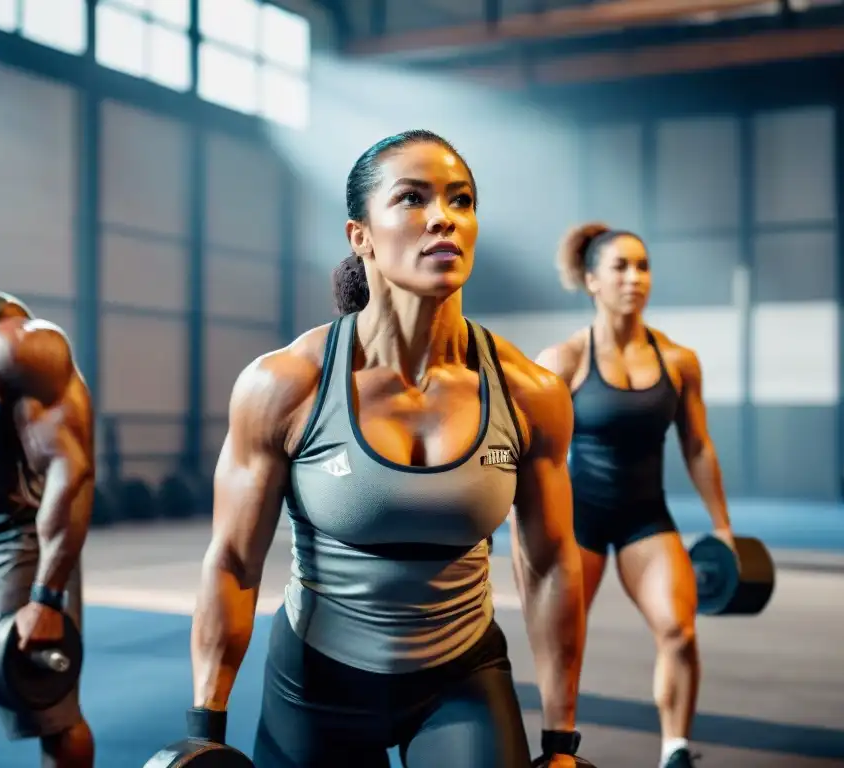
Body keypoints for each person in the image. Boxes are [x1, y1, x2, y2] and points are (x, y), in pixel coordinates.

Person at [188, 130, 587, 768]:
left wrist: (561, 741)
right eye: (412, 198)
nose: (443, 219)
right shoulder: (287, 385)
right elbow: (235, 561)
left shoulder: (530, 392)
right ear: (361, 236)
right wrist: (205, 726)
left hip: (463, 680)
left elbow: (550, 564)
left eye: (461, 201)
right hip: (317, 685)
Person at [527, 223, 737, 768]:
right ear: (591, 280)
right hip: (582, 519)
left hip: (647, 516)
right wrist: (528, 529)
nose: (634, 277)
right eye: (620, 267)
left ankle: (676, 749)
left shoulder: (677, 360)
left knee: (679, 629)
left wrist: (722, 528)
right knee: (567, 643)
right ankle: (558, 751)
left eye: (642, 266)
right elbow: (533, 454)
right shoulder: (564, 360)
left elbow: (697, 446)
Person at [0, 187, 95, 767]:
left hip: (13, 553)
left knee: (51, 717)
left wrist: (47, 596)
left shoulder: (17, 345)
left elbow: (71, 471)